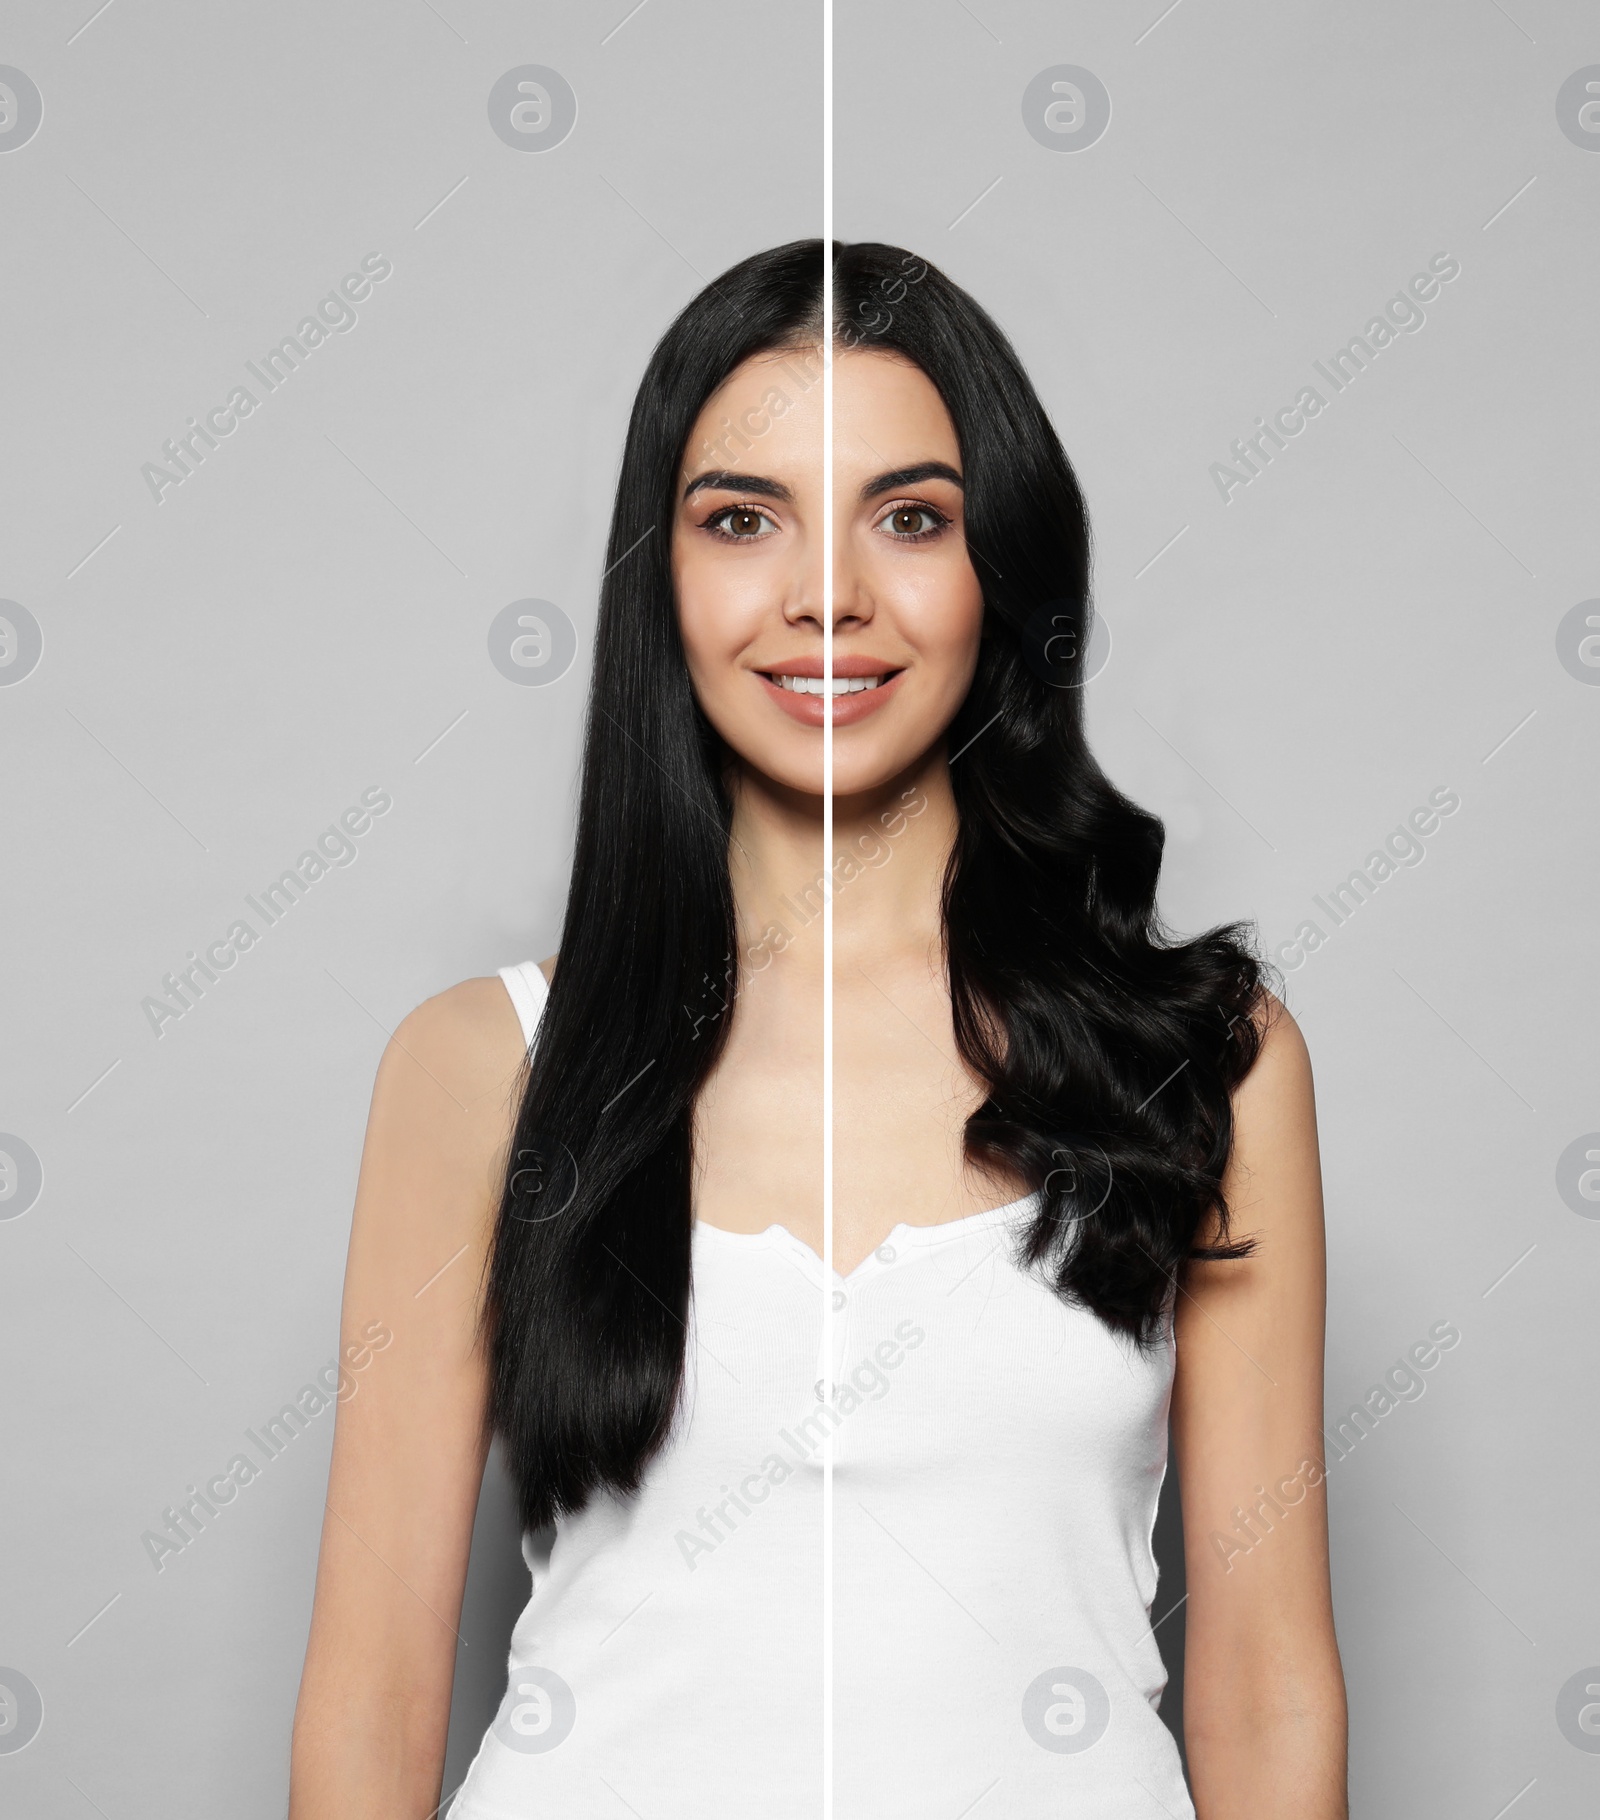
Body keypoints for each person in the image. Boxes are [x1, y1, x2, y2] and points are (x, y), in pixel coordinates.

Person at [288, 240, 1348, 1818]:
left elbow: (1266, 1687)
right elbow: (373, 1690)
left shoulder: (1208, 1058)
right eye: (742, 519)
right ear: (662, 573)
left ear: (1008, 569)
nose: (826, 596)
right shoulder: (478, 1069)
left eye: (909, 517)